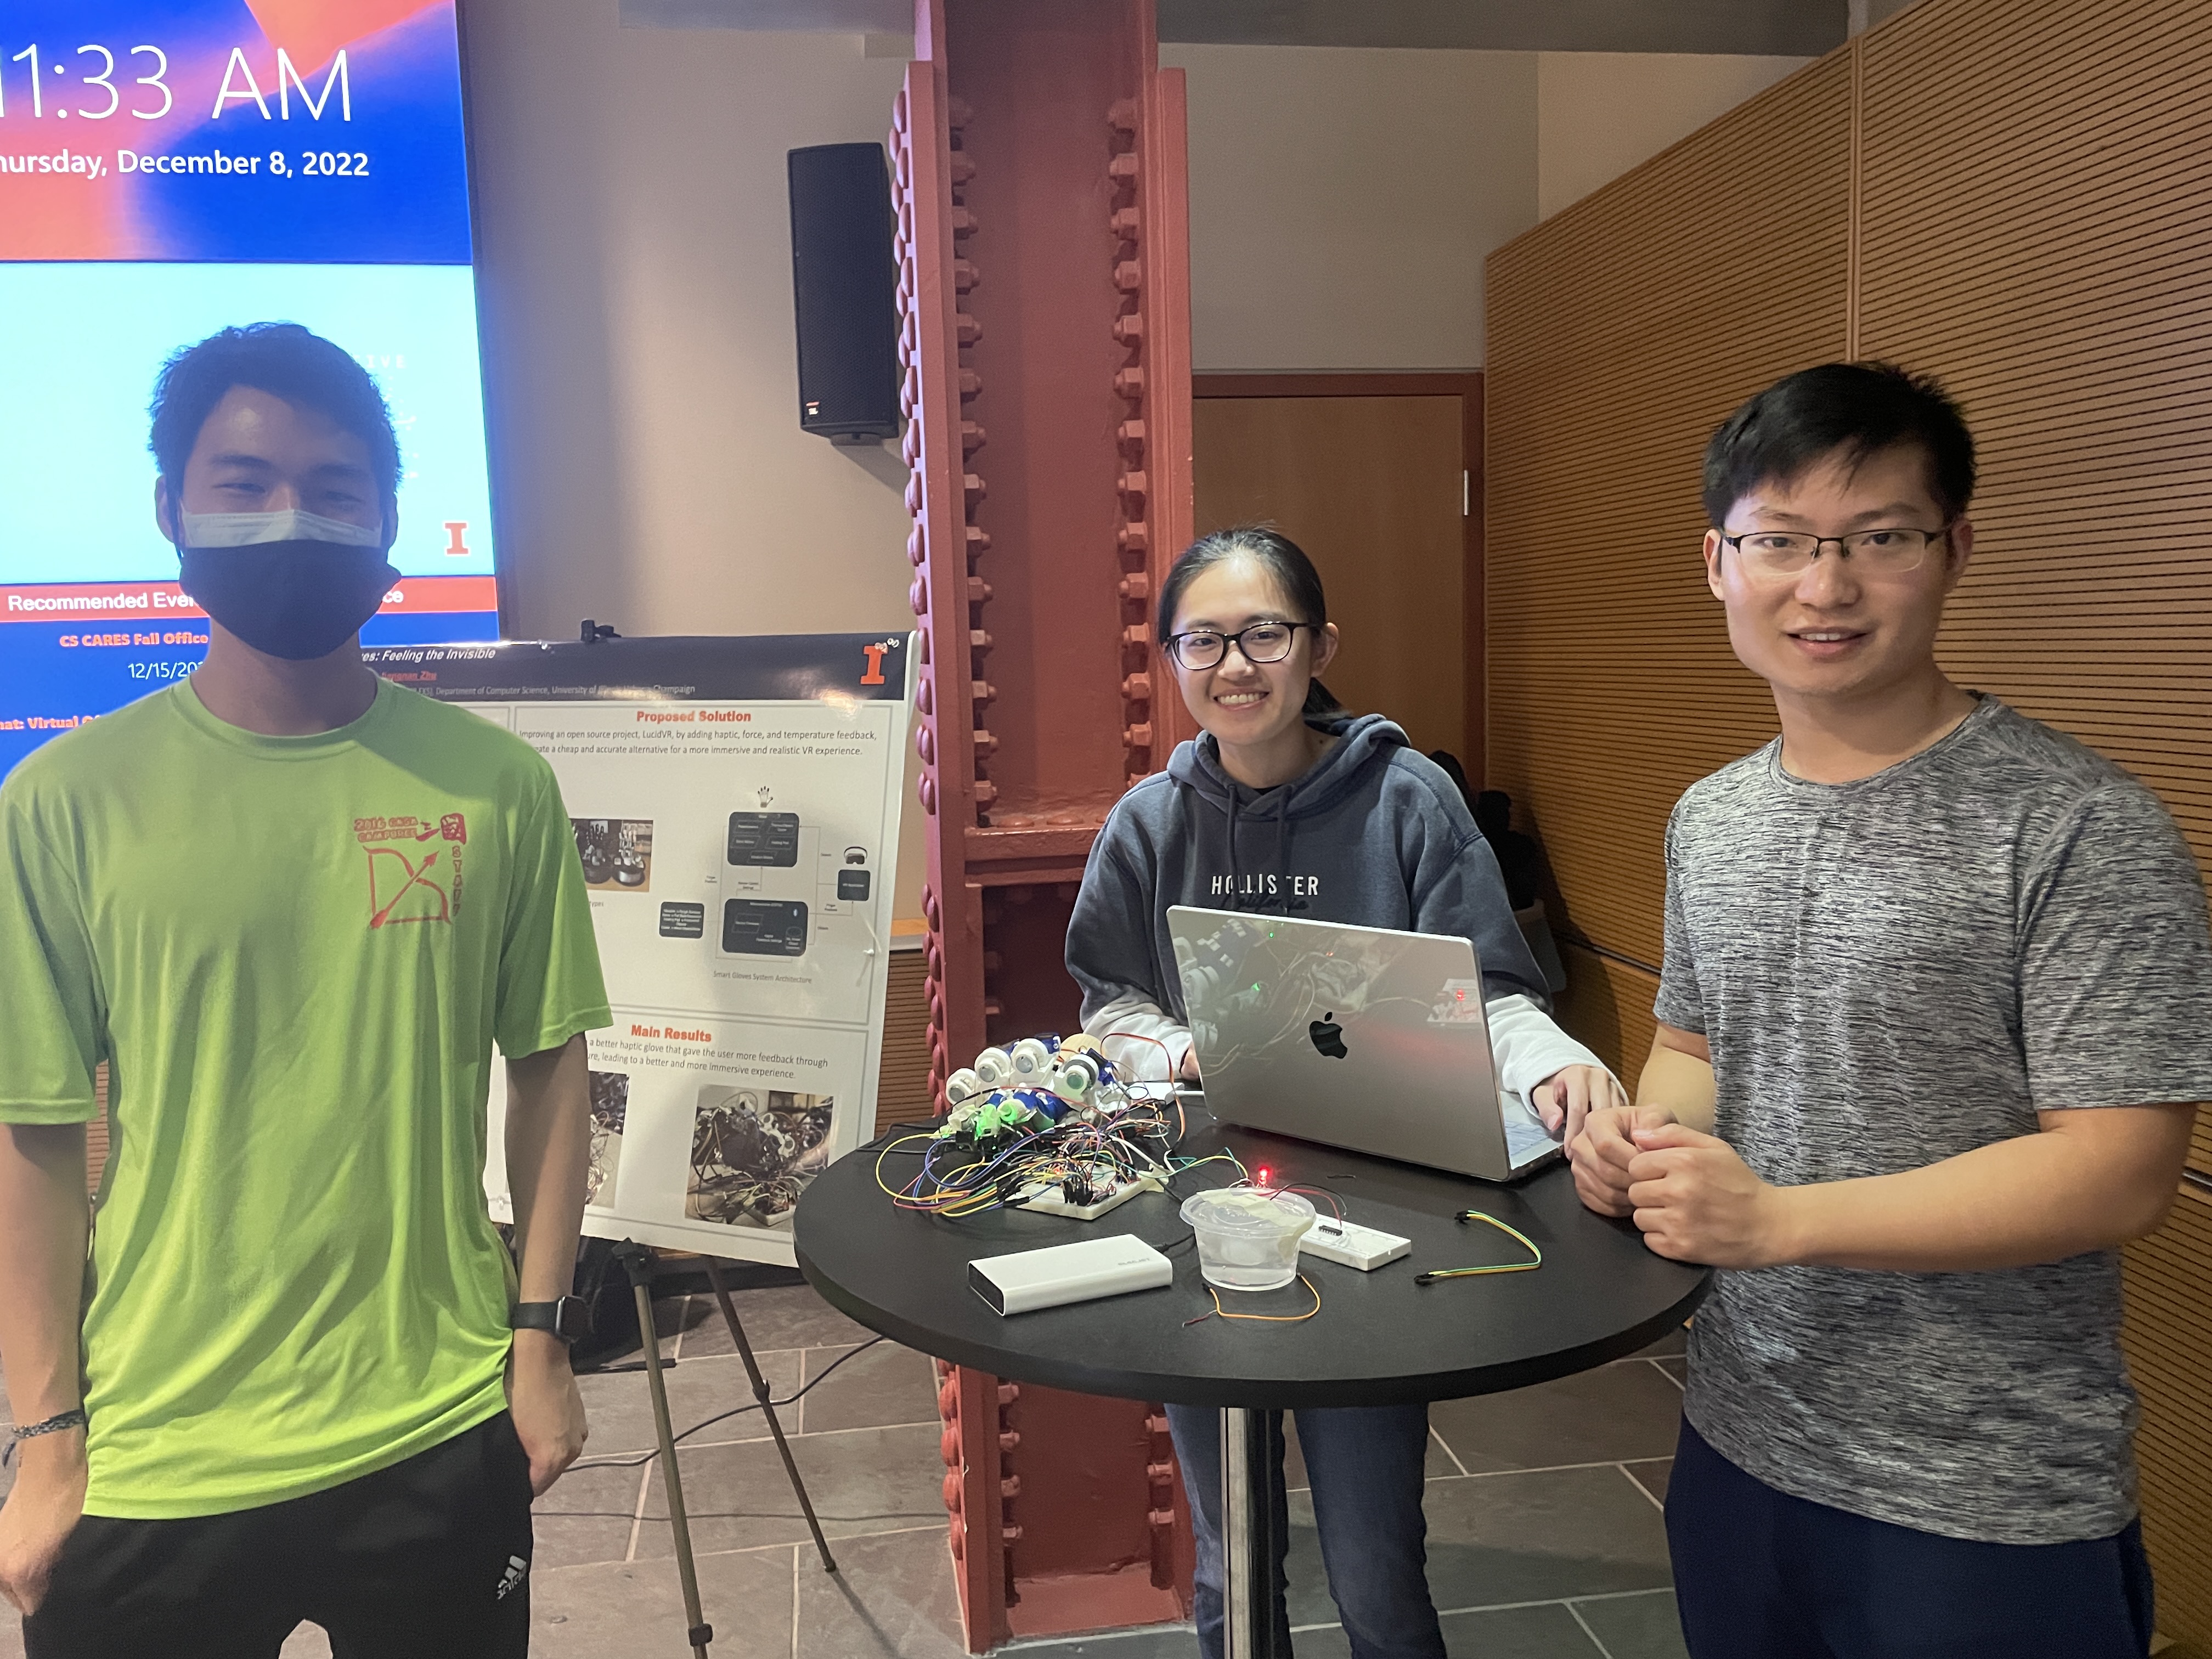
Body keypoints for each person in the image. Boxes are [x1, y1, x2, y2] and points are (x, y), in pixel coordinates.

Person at [1569, 362, 2211, 1658]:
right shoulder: (1715, 815)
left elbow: (2120, 1170)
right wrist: (1641, 1149)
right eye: (1783, 542)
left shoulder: (2081, 830)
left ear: (1954, 549)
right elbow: (1692, 1050)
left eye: (1880, 538)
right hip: (1743, 1437)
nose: (1826, 585)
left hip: (1984, 1496)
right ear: (1718, 561)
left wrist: (1781, 1222)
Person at [0, 323, 612, 1657]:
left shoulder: (493, 788)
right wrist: (42, 1441)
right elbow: (33, 1132)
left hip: (436, 1423)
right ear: (172, 509)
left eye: (336, 489)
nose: (291, 517)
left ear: (391, 526)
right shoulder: (63, 803)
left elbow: (553, 1066)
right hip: (157, 1445)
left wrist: (541, 1345)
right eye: (244, 481)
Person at [1066, 526, 1626, 1658]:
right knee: (1229, 1555)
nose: (1235, 666)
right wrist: (1191, 1054)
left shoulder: (1407, 798)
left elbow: (1492, 997)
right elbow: (1108, 1008)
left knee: (1377, 1560)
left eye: (1264, 634)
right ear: (1172, 659)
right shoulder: (1149, 822)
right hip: (1205, 1214)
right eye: (1203, 641)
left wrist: (1558, 1065)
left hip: (1381, 1216)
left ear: (1319, 644)